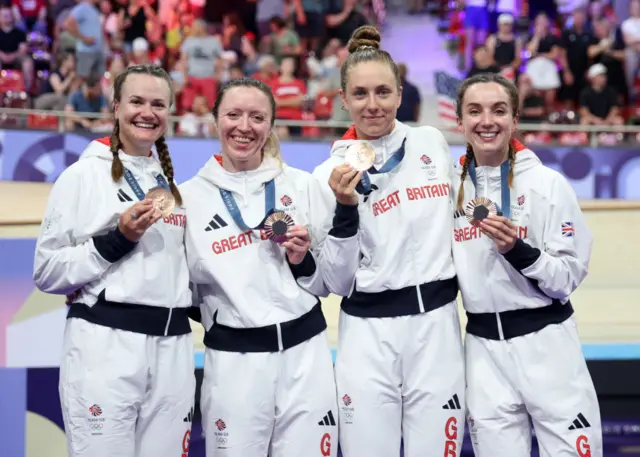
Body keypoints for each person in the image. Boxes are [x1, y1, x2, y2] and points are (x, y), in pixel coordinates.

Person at [180, 77, 361, 457]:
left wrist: (302, 260)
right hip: (234, 365)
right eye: (233, 114)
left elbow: (334, 280)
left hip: (305, 358)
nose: (244, 127)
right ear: (215, 120)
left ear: (271, 124)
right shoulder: (188, 199)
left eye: (257, 117)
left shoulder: (302, 185)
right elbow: (186, 292)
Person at [312, 25, 466, 457]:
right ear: (344, 100)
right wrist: (345, 210)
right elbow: (335, 281)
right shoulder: (327, 176)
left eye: (383, 92)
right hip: (368, 333)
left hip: (437, 326)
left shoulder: (430, 142)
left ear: (400, 94)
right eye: (360, 94)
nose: (373, 104)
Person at [33, 64, 196, 457]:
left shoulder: (170, 184)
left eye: (158, 104)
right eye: (137, 101)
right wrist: (116, 240)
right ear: (116, 106)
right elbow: (46, 270)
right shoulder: (82, 176)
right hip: (105, 347)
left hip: (173, 347)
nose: (148, 112)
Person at [452, 72, 602, 457]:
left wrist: (520, 251)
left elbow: (568, 275)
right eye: (475, 111)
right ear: (460, 121)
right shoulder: (449, 190)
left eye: (499, 110)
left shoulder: (548, 185)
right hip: (483, 349)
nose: (487, 121)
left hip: (546, 342)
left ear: (515, 119)